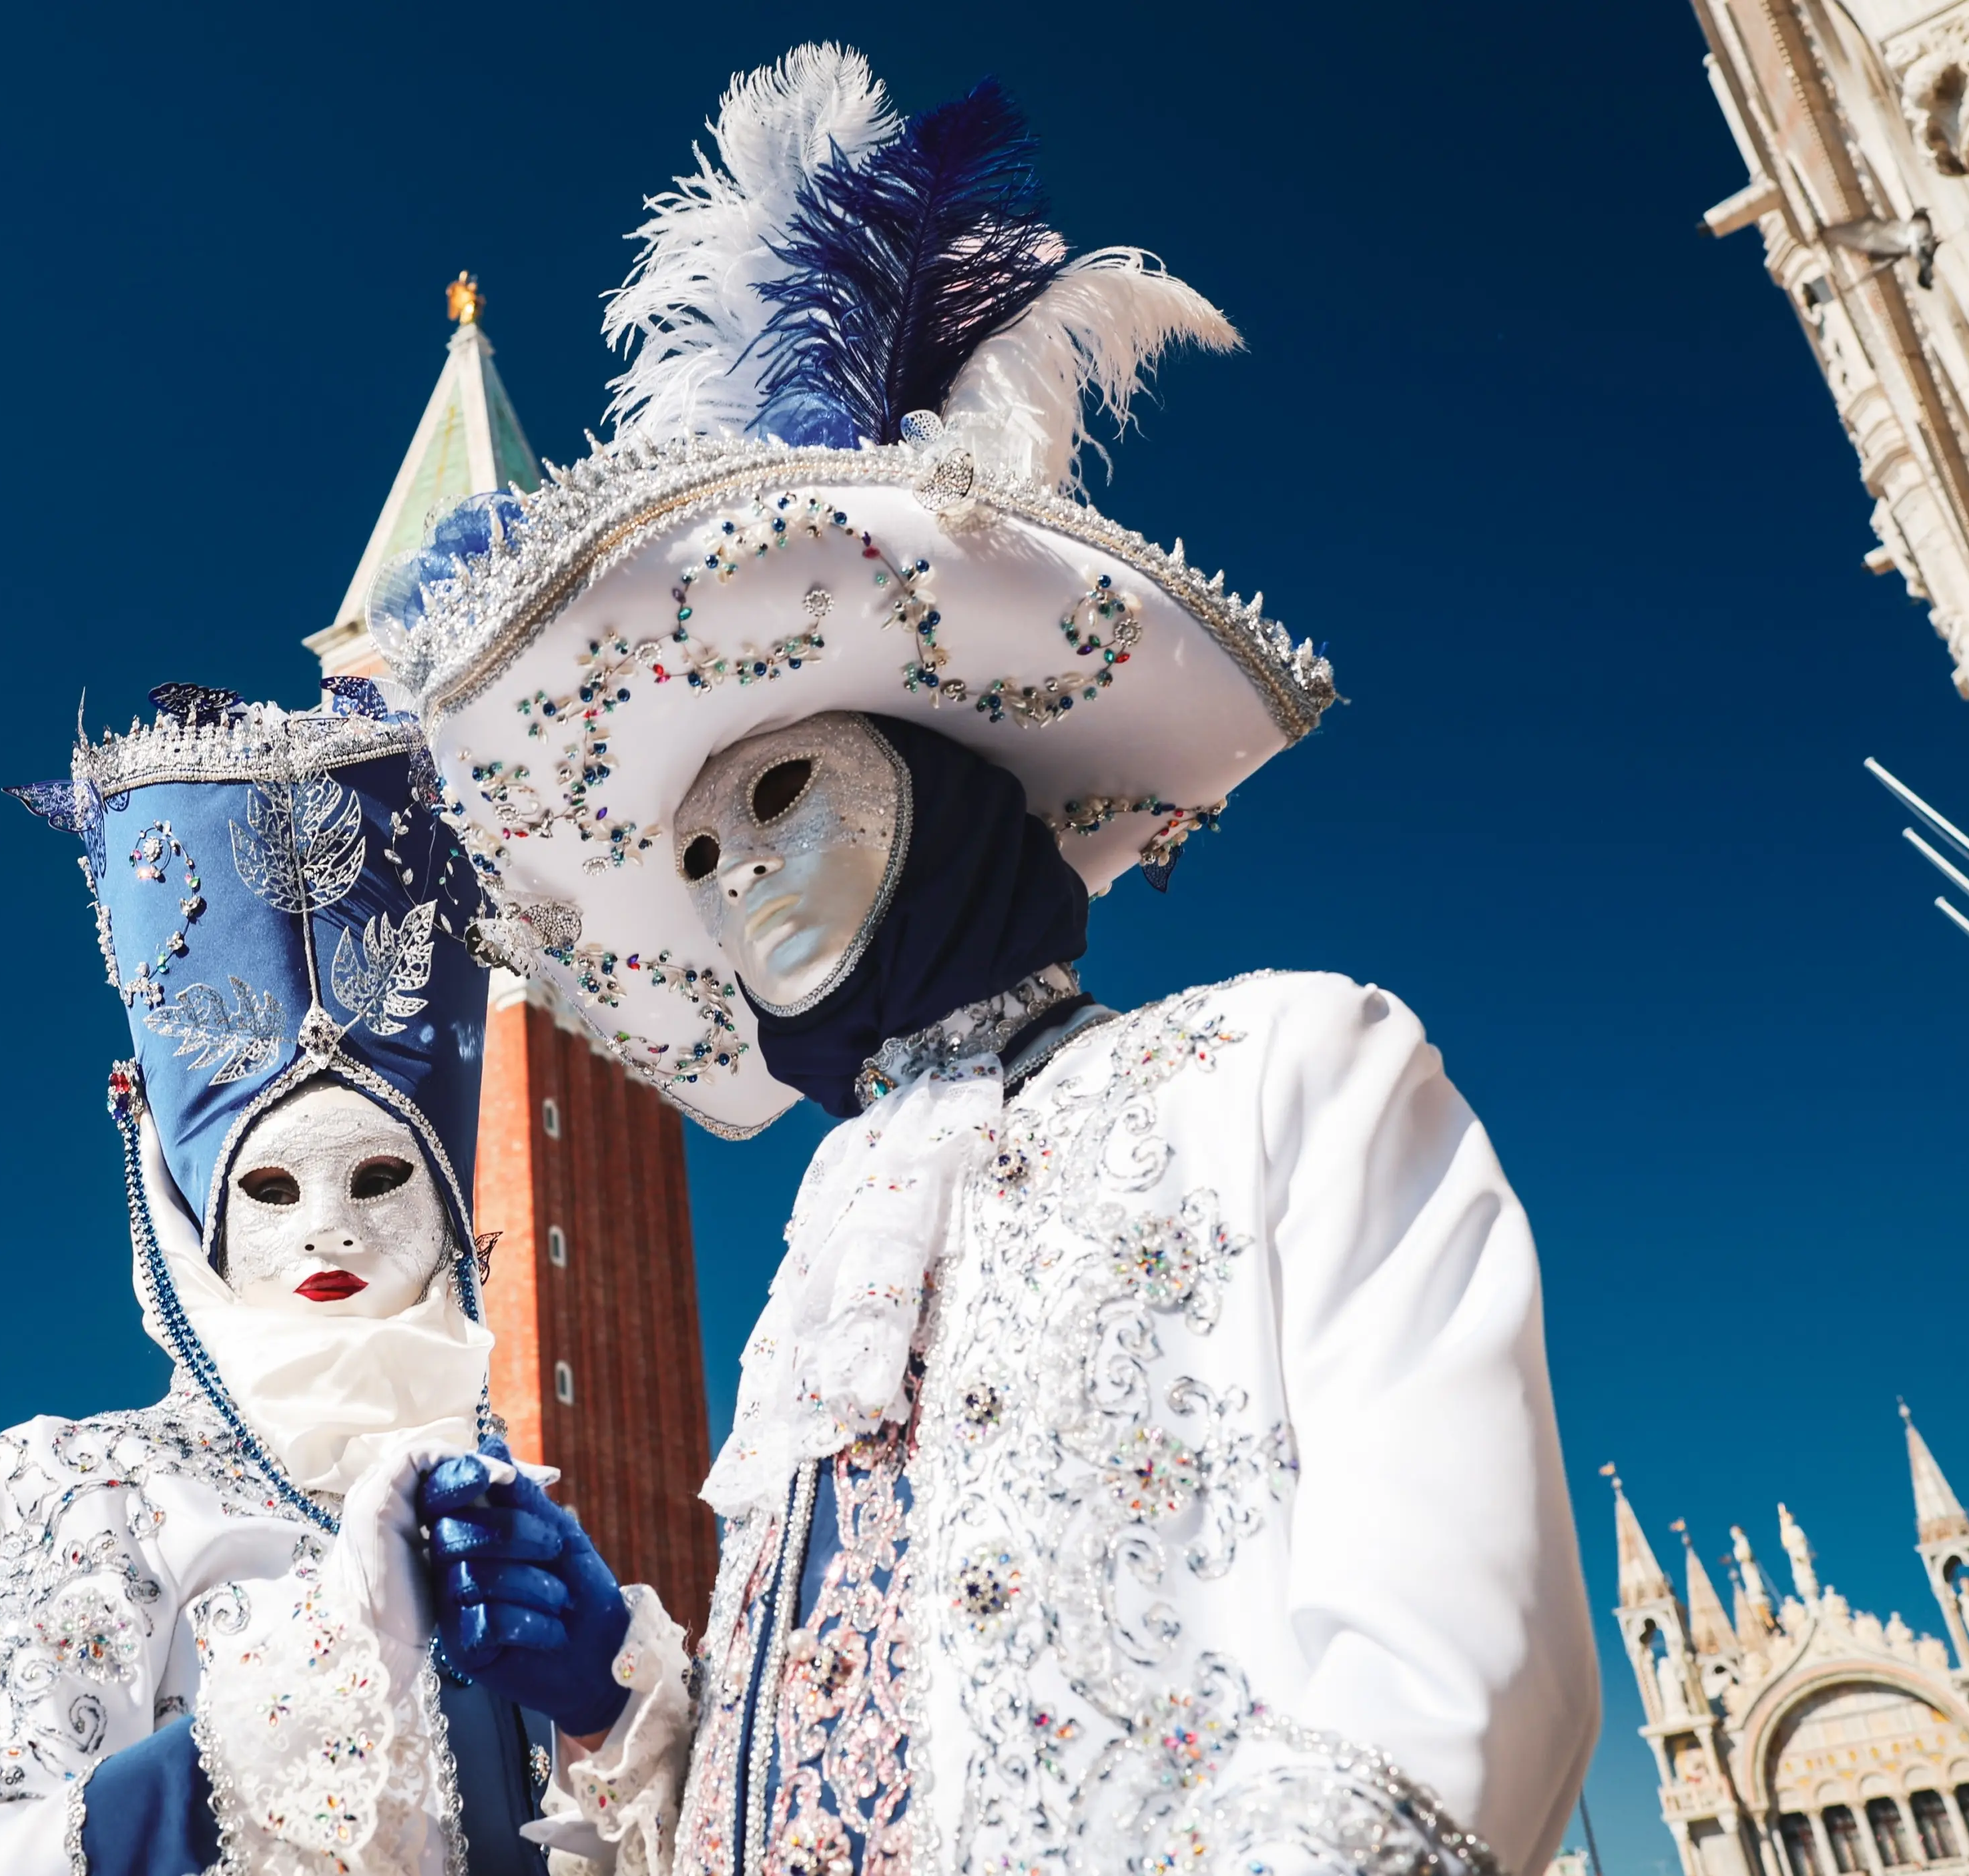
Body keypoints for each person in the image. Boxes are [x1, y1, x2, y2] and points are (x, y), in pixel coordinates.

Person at [378, 46, 1601, 1876]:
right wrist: (628, 1697)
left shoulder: (1287, 1072)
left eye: (783, 789)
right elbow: (842, 1760)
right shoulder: (818, 1264)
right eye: (697, 853)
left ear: (946, 772)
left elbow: (1453, 1683)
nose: (739, 877)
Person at [0, 679, 578, 1876]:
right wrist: (303, 1683)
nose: (329, 1234)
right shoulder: (96, 1486)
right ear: (195, 1215)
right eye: (270, 1189)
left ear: (453, 1217)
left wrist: (622, 1716)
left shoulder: (508, 1520)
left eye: (377, 1180)